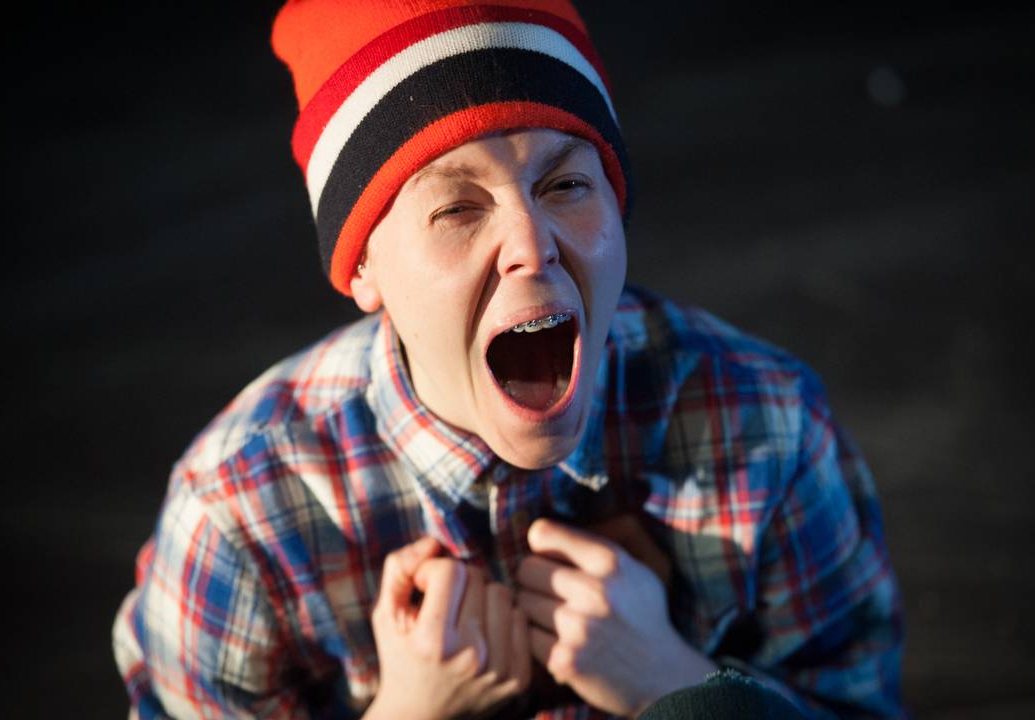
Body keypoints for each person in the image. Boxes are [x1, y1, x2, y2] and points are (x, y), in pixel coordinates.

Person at [111, 1, 905, 718]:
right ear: (363, 269)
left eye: (564, 184)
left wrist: (677, 686)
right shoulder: (241, 517)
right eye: (457, 207)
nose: (532, 245)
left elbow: (861, 705)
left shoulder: (767, 424)